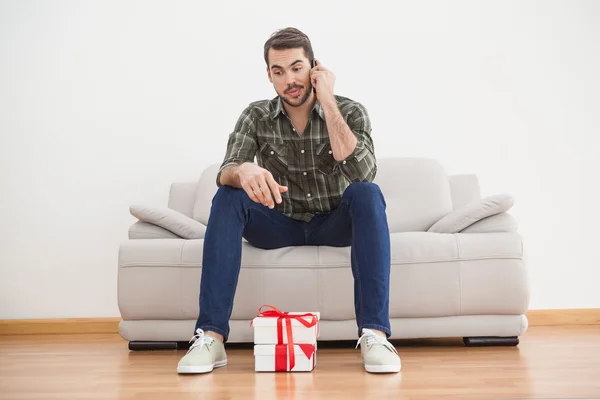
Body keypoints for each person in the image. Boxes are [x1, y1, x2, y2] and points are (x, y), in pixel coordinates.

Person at [177, 27, 400, 374]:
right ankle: (211, 337)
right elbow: (227, 169)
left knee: (366, 193)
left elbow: (364, 173)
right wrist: (243, 171)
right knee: (228, 195)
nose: (289, 80)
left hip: (333, 223)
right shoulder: (256, 115)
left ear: (314, 67)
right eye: (278, 72)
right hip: (278, 224)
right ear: (268, 75)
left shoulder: (350, 111)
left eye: (297, 68)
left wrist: (328, 101)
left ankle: (374, 334)